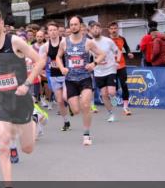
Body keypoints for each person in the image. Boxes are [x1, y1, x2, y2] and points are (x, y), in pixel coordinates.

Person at [0, 8, 44, 188]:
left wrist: (26, 83)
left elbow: (39, 61)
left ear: (1, 24)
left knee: (28, 149)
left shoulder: (15, 42)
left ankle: (34, 119)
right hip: (1, 102)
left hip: (21, 100)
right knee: (3, 146)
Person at [54, 15, 106, 146]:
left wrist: (94, 64)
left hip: (85, 78)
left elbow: (102, 54)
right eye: (71, 25)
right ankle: (74, 109)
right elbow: (58, 57)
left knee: (86, 105)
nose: (73, 27)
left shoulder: (88, 42)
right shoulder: (64, 42)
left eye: (75, 24)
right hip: (70, 79)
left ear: (81, 26)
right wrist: (62, 68)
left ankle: (86, 134)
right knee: (76, 110)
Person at [40, 21, 72, 130]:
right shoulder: (45, 46)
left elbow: (71, 56)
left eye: (54, 30)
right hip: (54, 75)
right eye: (50, 30)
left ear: (58, 31)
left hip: (65, 74)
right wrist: (41, 70)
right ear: (47, 33)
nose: (53, 32)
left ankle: (71, 104)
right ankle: (66, 122)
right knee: (59, 101)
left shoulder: (65, 42)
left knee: (65, 96)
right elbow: (41, 61)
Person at [89, 21, 121, 123]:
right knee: (104, 94)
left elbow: (118, 51)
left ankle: (114, 97)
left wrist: (117, 61)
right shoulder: (89, 44)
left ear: (101, 30)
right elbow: (88, 57)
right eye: (93, 29)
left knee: (111, 92)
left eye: (97, 28)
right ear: (90, 31)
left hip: (110, 69)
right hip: (98, 72)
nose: (95, 30)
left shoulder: (108, 41)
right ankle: (111, 114)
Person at [107, 22, 134, 115]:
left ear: (118, 29)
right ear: (109, 30)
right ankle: (113, 101)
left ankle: (125, 107)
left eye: (115, 28)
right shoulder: (106, 40)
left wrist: (129, 53)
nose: (114, 30)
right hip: (110, 67)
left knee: (124, 86)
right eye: (112, 28)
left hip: (121, 66)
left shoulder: (122, 39)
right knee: (114, 89)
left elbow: (126, 48)